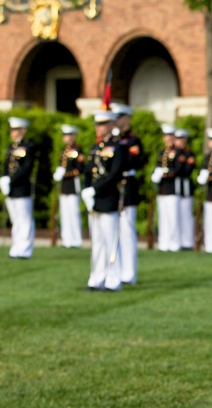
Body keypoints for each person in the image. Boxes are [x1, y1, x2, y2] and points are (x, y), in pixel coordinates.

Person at [82, 110, 127, 291]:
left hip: (108, 197)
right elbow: (88, 171)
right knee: (97, 242)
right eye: (97, 124)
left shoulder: (118, 147)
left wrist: (95, 189)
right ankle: (96, 278)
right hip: (94, 200)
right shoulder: (96, 148)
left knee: (111, 241)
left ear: (111, 125)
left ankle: (113, 279)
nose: (99, 128)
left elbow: (114, 174)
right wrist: (86, 189)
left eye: (102, 124)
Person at [111, 103, 144, 283]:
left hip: (127, 184)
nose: (116, 121)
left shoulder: (132, 141)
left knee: (126, 230)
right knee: (114, 231)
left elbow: (133, 161)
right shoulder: (114, 140)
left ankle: (129, 273)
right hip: (114, 186)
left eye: (119, 118)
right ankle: (116, 269)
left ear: (126, 119)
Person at [0, 116, 36, 259]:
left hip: (21, 187)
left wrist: (11, 180)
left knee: (25, 219)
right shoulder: (11, 147)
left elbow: (26, 168)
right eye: (12, 130)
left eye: (16, 130)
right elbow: (6, 165)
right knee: (15, 220)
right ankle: (16, 247)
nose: (13, 132)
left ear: (23, 130)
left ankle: (25, 249)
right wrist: (3, 178)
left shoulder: (28, 147)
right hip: (11, 188)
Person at [54, 124, 84, 248]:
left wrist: (65, 174)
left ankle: (76, 239)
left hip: (73, 184)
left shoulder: (78, 150)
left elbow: (79, 169)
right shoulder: (63, 151)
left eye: (69, 135)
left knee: (73, 213)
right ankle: (66, 239)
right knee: (65, 214)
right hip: (64, 186)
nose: (67, 138)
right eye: (65, 135)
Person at [153, 124, 181, 252]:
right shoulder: (162, 152)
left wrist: (165, 172)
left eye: (170, 136)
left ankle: (174, 242)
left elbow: (179, 170)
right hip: (163, 189)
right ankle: (164, 241)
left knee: (173, 217)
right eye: (166, 136)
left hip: (173, 188)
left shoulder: (178, 152)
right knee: (163, 217)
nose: (167, 138)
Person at [174, 129, 197, 250]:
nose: (179, 141)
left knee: (186, 214)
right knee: (176, 215)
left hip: (185, 185)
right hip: (175, 186)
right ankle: (178, 240)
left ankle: (188, 241)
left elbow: (187, 169)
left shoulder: (188, 153)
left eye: (181, 139)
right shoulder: (173, 152)